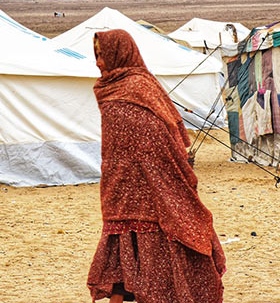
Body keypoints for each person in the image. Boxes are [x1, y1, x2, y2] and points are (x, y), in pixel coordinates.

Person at [87, 29, 225, 303]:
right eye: (97, 56)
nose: (98, 62)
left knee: (154, 241)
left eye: (102, 55)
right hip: (119, 183)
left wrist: (160, 172)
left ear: (120, 52)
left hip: (153, 184)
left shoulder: (141, 87)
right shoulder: (109, 88)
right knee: (120, 241)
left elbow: (164, 133)